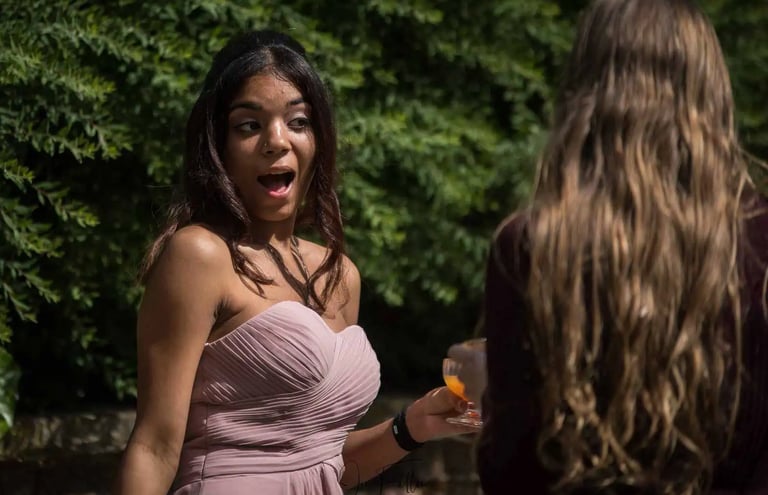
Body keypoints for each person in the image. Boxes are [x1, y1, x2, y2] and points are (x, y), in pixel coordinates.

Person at [113, 30, 469, 495]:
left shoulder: (339, 275)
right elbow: (154, 447)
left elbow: (321, 466)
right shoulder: (200, 255)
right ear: (218, 146)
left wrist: (411, 427)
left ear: (317, 139)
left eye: (297, 122)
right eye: (248, 125)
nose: (275, 141)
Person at [450, 0, 768, 493]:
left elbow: (513, 474)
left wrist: (488, 392)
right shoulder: (758, 238)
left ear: (585, 91)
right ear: (710, 93)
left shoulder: (532, 248)